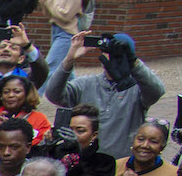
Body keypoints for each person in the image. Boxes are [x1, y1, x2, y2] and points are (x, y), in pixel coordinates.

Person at [43, 31, 167, 160]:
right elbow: (53, 95)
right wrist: (69, 59)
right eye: (107, 53)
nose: (111, 58)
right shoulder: (85, 83)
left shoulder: (137, 87)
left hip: (121, 164)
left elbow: (157, 91)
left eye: (117, 54)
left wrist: (134, 63)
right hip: (84, 162)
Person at [42, 0, 95, 72]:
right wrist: (44, 4)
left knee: (50, 65)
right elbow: (51, 14)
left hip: (67, 34)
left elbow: (66, 16)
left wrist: (49, 4)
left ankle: (40, 90)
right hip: (55, 30)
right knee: (65, 66)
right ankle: (72, 88)